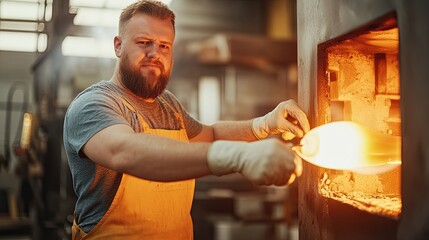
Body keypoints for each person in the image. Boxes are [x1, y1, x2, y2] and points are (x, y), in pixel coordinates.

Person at [63, 1, 310, 239]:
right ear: (118, 46)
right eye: (144, 43)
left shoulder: (169, 106)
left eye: (164, 46)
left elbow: (211, 134)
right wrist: (237, 157)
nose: (154, 54)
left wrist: (265, 125)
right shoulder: (94, 104)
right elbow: (124, 151)